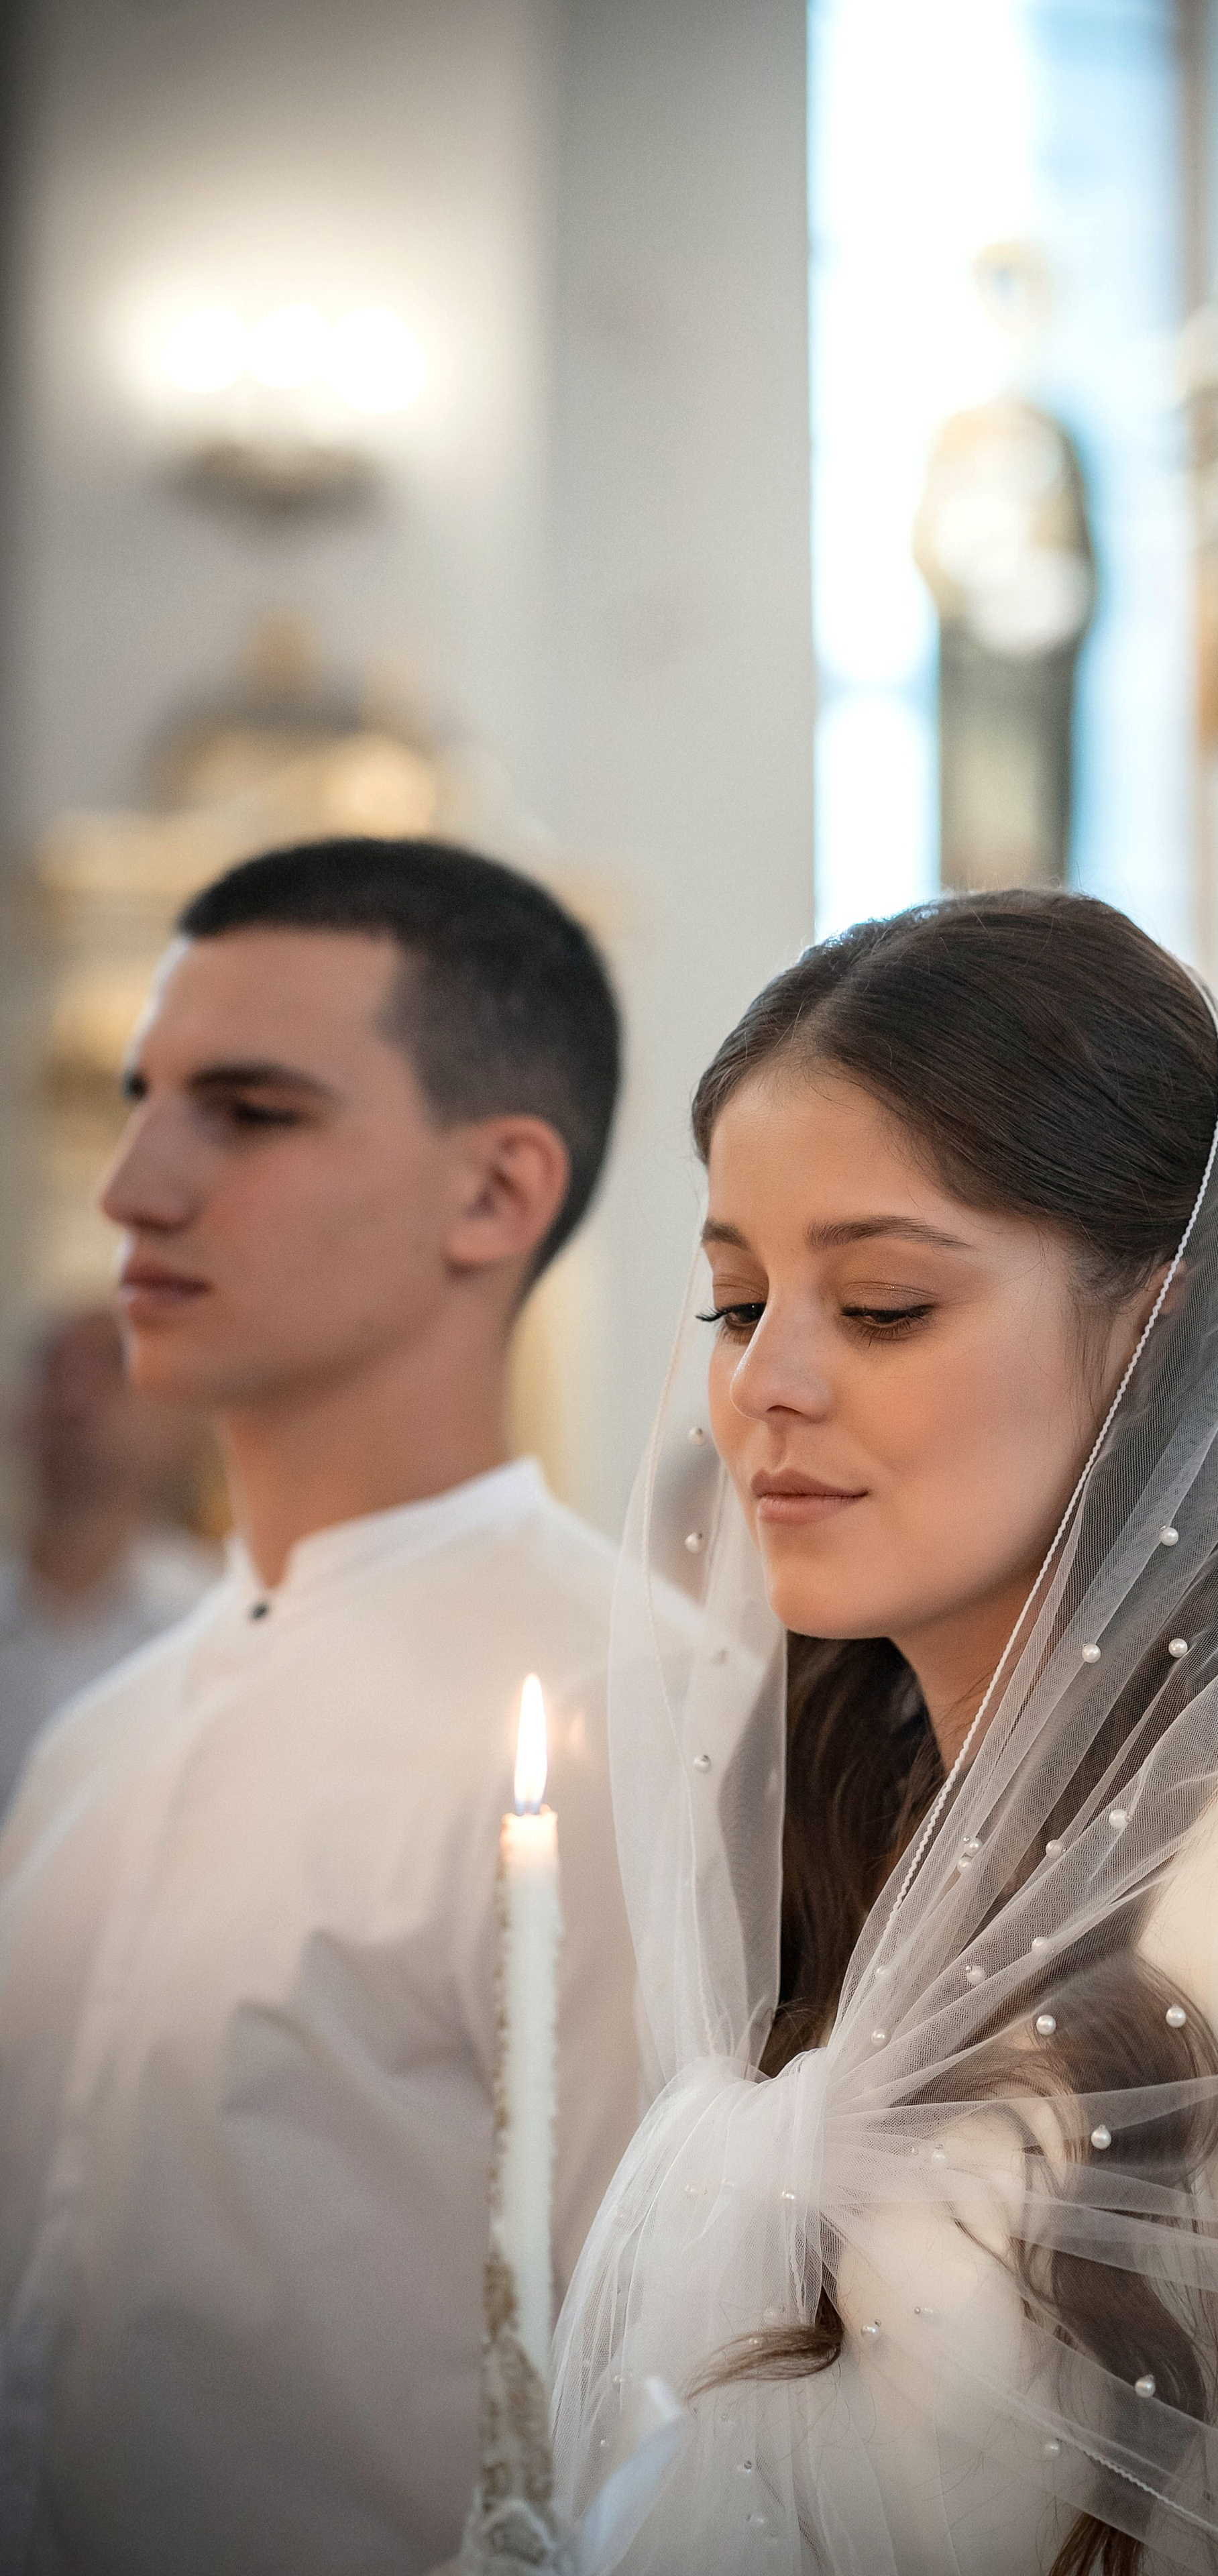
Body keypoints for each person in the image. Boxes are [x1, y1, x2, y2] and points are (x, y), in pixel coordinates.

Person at [549, 892, 1218, 2575]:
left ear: (1157, 1336)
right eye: (736, 1303)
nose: (764, 1383)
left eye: (882, 1305)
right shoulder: (857, 1811)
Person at [0, 838, 639, 2576]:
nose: (132, 1187)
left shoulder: (621, 1725)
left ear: (493, 1192)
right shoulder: (93, 1734)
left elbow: (662, 2415)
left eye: (249, 1113)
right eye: (141, 1103)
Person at [0, 1308, 218, 1817]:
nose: (74, 1396)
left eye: (113, 1365)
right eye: (54, 1368)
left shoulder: (218, 1626)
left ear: (186, 1427)